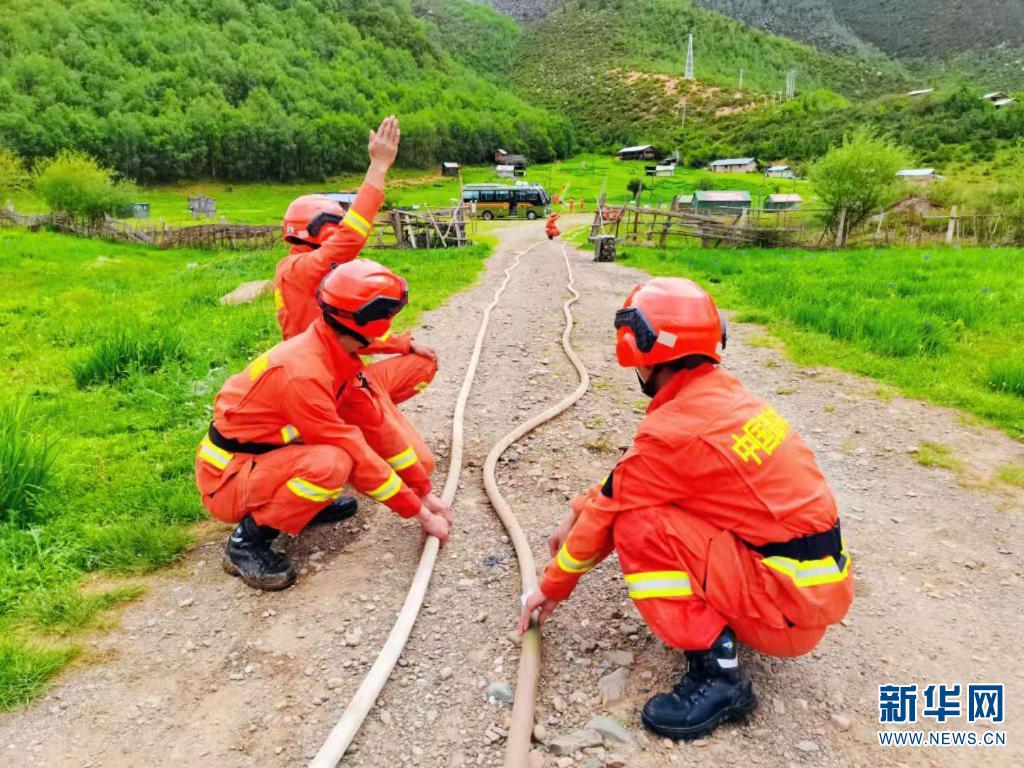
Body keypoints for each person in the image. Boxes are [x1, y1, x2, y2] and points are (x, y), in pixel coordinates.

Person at [519, 277, 853, 741]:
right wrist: (577, 509)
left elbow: (616, 507)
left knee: (637, 525)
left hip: (785, 614)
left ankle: (720, 675)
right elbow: (634, 478)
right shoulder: (721, 398)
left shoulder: (674, 431)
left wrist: (551, 585)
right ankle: (733, 619)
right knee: (647, 509)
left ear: (640, 349)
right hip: (809, 592)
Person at [196, 260, 451, 591]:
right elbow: (355, 452)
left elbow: (377, 428)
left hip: (264, 459)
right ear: (374, 321)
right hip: (228, 480)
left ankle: (304, 507)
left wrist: (423, 491)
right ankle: (245, 543)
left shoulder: (334, 355)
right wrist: (421, 514)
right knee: (332, 463)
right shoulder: (305, 375)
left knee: (340, 454)